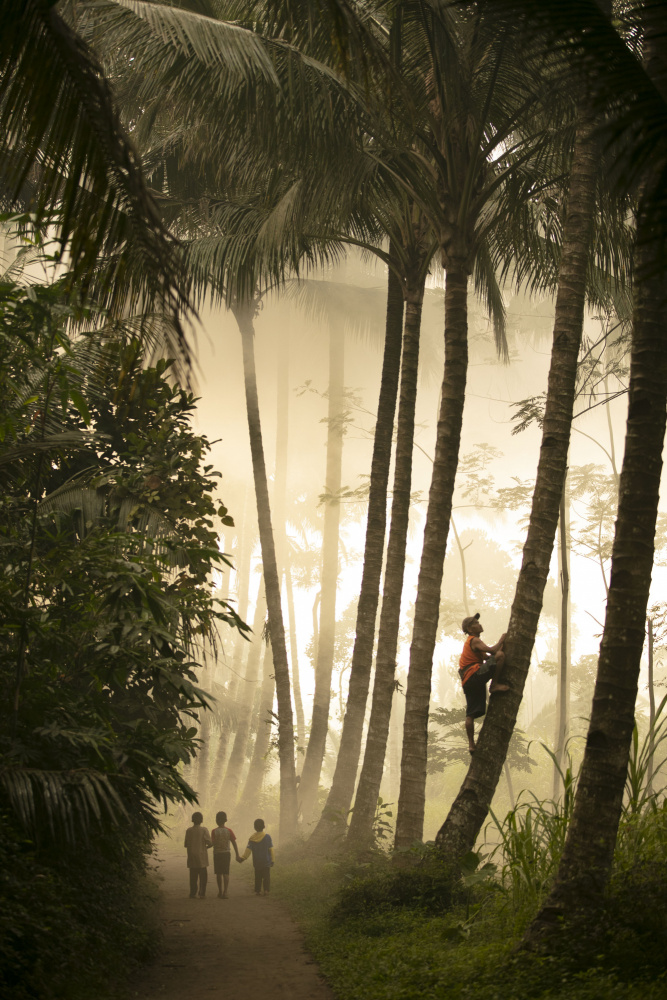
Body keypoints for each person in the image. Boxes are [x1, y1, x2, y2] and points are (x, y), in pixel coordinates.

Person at [459, 612, 509, 754]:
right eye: (475, 623)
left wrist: (498, 648)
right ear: (469, 629)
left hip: (468, 681)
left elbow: (488, 657)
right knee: (500, 655)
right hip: (474, 674)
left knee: (470, 714)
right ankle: (495, 684)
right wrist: (502, 640)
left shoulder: (473, 643)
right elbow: (494, 652)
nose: (479, 624)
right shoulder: (473, 640)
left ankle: (471, 745)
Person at [237, 818, 274, 895]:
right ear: (264, 826)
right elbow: (271, 849)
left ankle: (258, 891)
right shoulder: (267, 837)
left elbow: (248, 850)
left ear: (254, 827)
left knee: (258, 876)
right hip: (266, 861)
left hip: (257, 862)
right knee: (266, 877)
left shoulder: (252, 838)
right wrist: (272, 860)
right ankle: (266, 890)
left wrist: (242, 858)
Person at [210, 811, 241, 898]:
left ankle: (220, 891)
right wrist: (237, 854)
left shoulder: (214, 831)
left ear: (216, 820)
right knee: (226, 873)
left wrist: (205, 847)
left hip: (217, 854)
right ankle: (225, 892)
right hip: (226, 854)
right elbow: (234, 843)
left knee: (218, 874)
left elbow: (212, 843)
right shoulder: (229, 831)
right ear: (225, 820)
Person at [184, 811, 212, 898]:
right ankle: (202, 893)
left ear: (192, 820)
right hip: (201, 856)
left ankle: (193, 893)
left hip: (192, 856)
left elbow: (186, 844)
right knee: (203, 875)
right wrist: (205, 847)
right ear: (201, 820)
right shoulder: (204, 830)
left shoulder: (189, 831)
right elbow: (210, 843)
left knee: (193, 875)